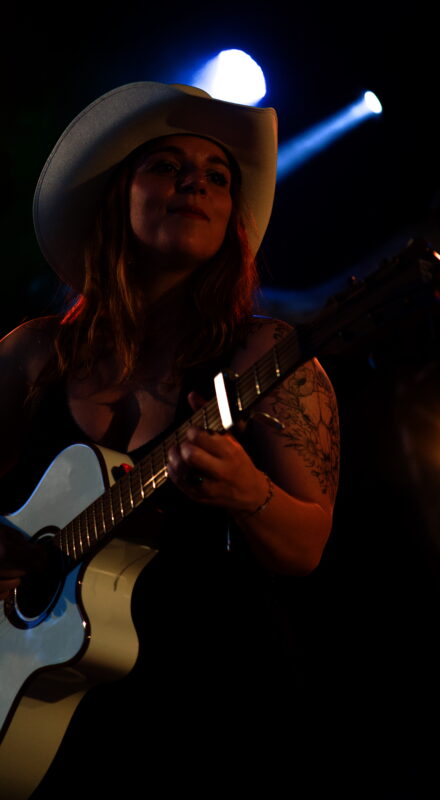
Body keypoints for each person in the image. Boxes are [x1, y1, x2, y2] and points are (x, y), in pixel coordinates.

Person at [0, 82, 339, 795]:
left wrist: (250, 494)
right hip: (34, 712)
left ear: (230, 221)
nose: (195, 182)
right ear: (116, 200)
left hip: (209, 721)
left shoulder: (265, 356)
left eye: (217, 176)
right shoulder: (31, 358)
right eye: (165, 166)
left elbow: (306, 546)